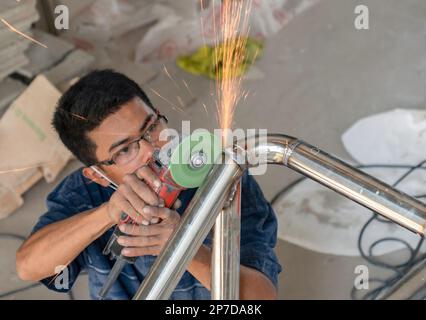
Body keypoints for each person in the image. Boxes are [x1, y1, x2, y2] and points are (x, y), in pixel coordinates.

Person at [16, 70, 282, 300]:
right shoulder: (85, 192)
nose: (152, 150)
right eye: (125, 150)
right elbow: (28, 266)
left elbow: (261, 296)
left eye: (152, 127)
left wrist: (184, 247)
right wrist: (106, 214)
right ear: (98, 174)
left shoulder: (221, 176)